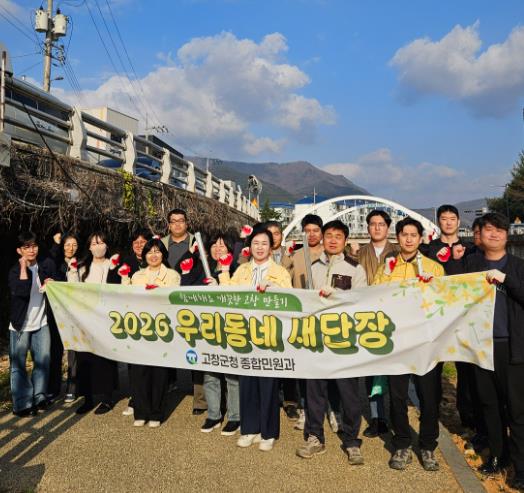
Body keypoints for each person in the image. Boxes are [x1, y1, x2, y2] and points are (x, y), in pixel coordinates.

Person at [458, 213, 524, 489]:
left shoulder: (518, 266)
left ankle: (521, 468)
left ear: (507, 236)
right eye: (488, 229)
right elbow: (451, 293)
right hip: (481, 345)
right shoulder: (470, 265)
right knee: (489, 404)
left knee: (517, 410)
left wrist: (506, 280)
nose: (494, 234)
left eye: (500, 230)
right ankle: (498, 456)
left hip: (512, 347)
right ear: (480, 234)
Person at [373, 217, 444, 471]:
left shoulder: (434, 268)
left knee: (428, 396)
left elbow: (444, 303)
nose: (409, 239)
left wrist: (431, 288)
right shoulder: (387, 267)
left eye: (414, 235)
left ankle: (428, 445)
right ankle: (402, 443)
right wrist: (386, 275)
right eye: (404, 234)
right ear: (398, 237)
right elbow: (374, 298)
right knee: (398, 395)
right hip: (398, 340)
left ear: (421, 238)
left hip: (425, 342)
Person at [296, 220, 366, 464]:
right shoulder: (313, 267)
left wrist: (336, 297)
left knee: (349, 394)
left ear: (345, 241)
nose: (333, 240)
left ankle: (351, 440)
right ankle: (315, 436)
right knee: (314, 391)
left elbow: (361, 302)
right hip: (317, 339)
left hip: (344, 340)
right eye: (329, 235)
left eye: (338, 236)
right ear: (323, 239)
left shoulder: (355, 269)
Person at [219, 224, 292, 451]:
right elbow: (228, 295)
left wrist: (274, 288)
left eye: (264, 243)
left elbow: (289, 300)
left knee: (268, 384)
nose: (260, 247)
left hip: (269, 334)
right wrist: (221, 276)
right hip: (245, 333)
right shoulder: (242, 270)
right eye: (256, 243)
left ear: (271, 248)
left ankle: (268, 432)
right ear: (249, 247)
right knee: (247, 382)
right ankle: (249, 428)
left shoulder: (280, 272)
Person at [422, 205, 484, 440]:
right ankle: (432, 412)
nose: (448, 222)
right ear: (438, 222)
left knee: (465, 368)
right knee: (433, 366)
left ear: (458, 222)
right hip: (436, 317)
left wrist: (455, 261)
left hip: (463, 318)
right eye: (443, 218)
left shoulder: (469, 249)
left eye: (452, 218)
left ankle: (468, 417)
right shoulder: (428, 249)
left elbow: (474, 278)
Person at [121, 237, 180, 428]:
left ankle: (156, 412)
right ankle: (141, 411)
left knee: (159, 373)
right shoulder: (137, 276)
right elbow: (125, 298)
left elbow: (175, 298)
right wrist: (124, 279)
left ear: (163, 254)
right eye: (149, 252)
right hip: (140, 329)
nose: (153, 255)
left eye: (157, 251)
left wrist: (158, 291)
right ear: (144, 255)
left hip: (162, 330)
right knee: (139, 372)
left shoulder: (172, 275)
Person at [351, 210, 398, 438]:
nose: (377, 228)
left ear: (388, 228)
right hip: (368, 317)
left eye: (381, 224)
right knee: (372, 370)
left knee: (395, 370)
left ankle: (396, 416)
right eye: (373, 224)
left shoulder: (399, 252)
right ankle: (377, 418)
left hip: (394, 317)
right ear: (367, 227)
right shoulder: (359, 254)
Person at [67, 232, 123, 415]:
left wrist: (115, 269)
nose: (98, 246)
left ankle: (107, 397)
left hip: (106, 319)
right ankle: (88, 398)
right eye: (94, 243)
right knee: (85, 359)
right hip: (86, 320)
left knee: (105, 358)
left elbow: (119, 288)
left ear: (107, 245)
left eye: (101, 243)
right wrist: (72, 271)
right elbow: (72, 289)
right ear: (89, 247)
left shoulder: (112, 264)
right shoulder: (83, 267)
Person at [281, 214, 324, 427]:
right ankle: (306, 408)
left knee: (326, 365)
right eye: (307, 231)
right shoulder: (296, 255)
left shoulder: (329, 253)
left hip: (325, 317)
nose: (311, 234)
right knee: (305, 365)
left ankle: (331, 409)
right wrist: (287, 256)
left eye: (315, 230)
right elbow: (282, 278)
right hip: (301, 317)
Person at [8, 232, 56, 417]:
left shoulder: (44, 266)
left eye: (34, 246)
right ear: (19, 250)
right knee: (18, 365)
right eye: (26, 247)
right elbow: (21, 291)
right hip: (21, 325)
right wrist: (23, 268)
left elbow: (54, 283)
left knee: (43, 361)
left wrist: (51, 283)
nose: (31, 250)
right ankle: (21, 404)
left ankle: (39, 397)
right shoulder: (14, 271)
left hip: (41, 322)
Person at [199, 232, 240, 436]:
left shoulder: (237, 270)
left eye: (222, 246)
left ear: (230, 249)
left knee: (232, 376)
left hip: (231, 328)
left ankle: (234, 417)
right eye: (214, 245)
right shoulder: (202, 269)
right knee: (210, 374)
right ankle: (213, 414)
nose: (217, 249)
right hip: (207, 328)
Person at [49, 232, 80, 403]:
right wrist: (55, 244)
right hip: (57, 312)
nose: (71, 248)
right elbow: (49, 263)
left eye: (74, 244)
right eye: (67, 244)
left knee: (73, 352)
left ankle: (72, 388)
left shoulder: (82, 264)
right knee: (55, 350)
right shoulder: (56, 263)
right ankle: (53, 388)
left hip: (75, 314)